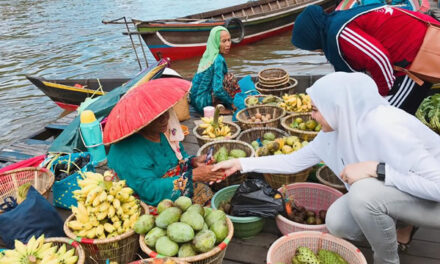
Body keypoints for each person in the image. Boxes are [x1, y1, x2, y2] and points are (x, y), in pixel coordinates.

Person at [213, 72, 440, 264]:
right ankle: (402, 224)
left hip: (434, 201)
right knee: (337, 221)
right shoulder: (336, 132)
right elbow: (292, 161)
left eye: (315, 110)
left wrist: (376, 169)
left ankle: (387, 259)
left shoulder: (384, 126)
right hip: (406, 191)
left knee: (362, 195)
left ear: (338, 107)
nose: (310, 116)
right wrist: (241, 163)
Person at [291, 4, 440, 114]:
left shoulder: (341, 32)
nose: (316, 51)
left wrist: (382, 94)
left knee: (389, 117)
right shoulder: (338, 20)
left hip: (417, 55)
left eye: (310, 47)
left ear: (312, 37)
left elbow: (378, 58)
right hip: (414, 51)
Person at [107, 109, 225, 206]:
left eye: (165, 112)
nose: (164, 119)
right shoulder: (130, 151)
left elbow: (179, 157)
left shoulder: (164, 132)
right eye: (157, 116)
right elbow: (149, 191)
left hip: (170, 183)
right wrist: (193, 175)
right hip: (146, 197)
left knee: (208, 195)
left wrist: (193, 161)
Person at [190, 26, 240, 114]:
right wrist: (231, 103)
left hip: (195, 100)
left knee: (221, 79)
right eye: (224, 41)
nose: (228, 44)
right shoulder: (218, 59)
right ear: (216, 42)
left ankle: (217, 104)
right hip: (203, 105)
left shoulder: (208, 54)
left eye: (229, 40)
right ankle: (217, 107)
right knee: (230, 78)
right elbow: (217, 89)